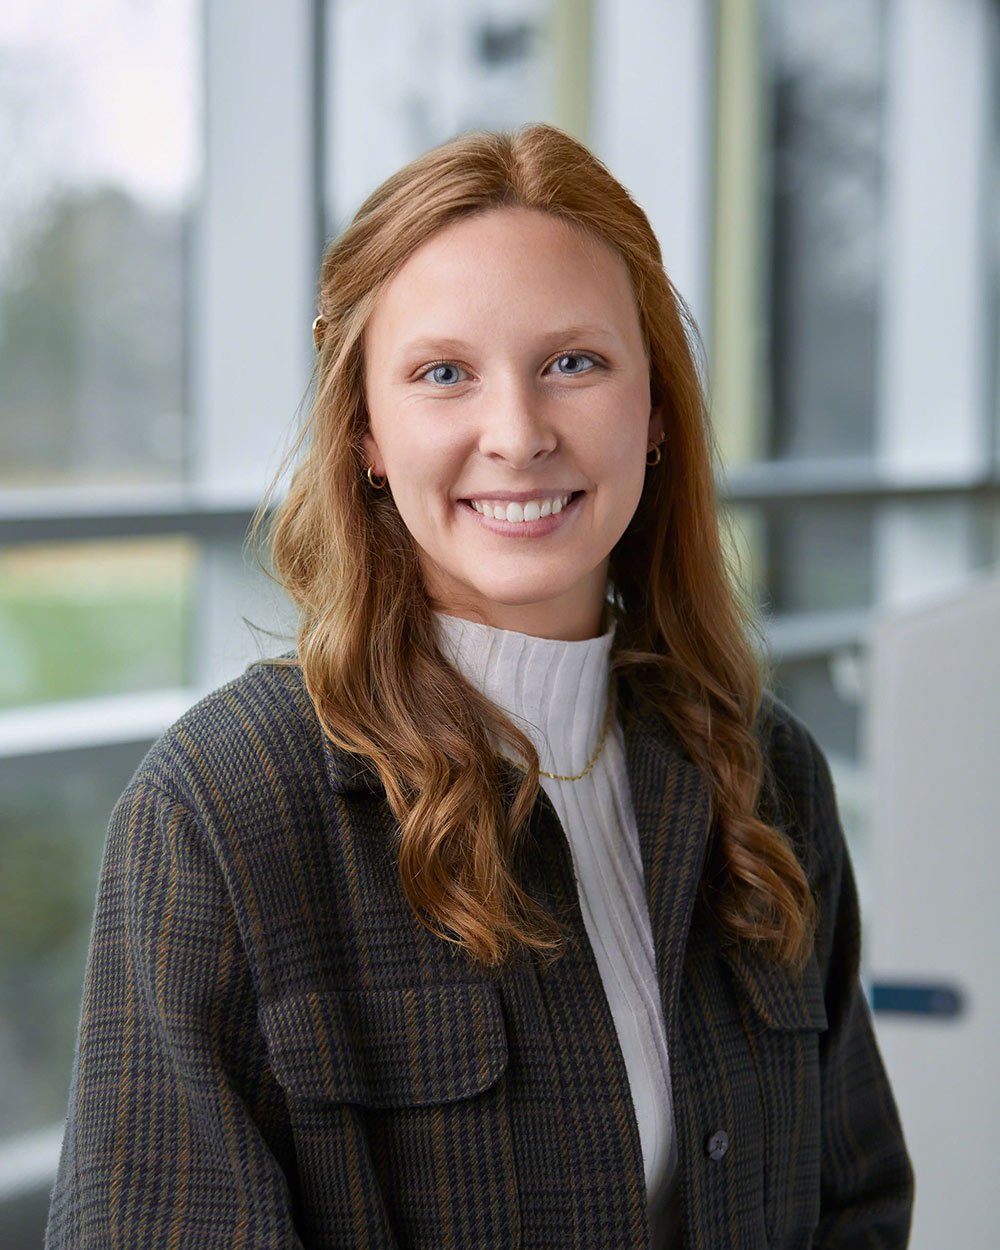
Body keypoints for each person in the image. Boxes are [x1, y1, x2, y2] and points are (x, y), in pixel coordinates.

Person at [45, 123, 913, 1249]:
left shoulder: (763, 768)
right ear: (365, 431)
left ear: (653, 410)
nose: (516, 434)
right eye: (443, 373)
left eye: (573, 363)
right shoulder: (222, 810)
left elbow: (856, 1201)